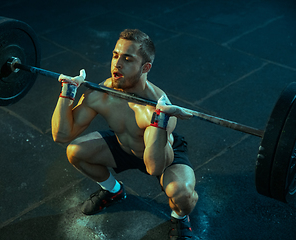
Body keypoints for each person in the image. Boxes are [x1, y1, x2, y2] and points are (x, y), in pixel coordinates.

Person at [51, 29, 198, 239]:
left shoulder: (157, 107)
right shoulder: (101, 93)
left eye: (127, 59)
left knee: (182, 195)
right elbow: (62, 134)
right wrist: (68, 91)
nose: (117, 64)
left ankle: (180, 217)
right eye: (115, 55)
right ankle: (113, 190)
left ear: (145, 67)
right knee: (75, 151)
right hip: (123, 145)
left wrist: (160, 121)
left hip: (162, 155)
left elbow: (154, 166)